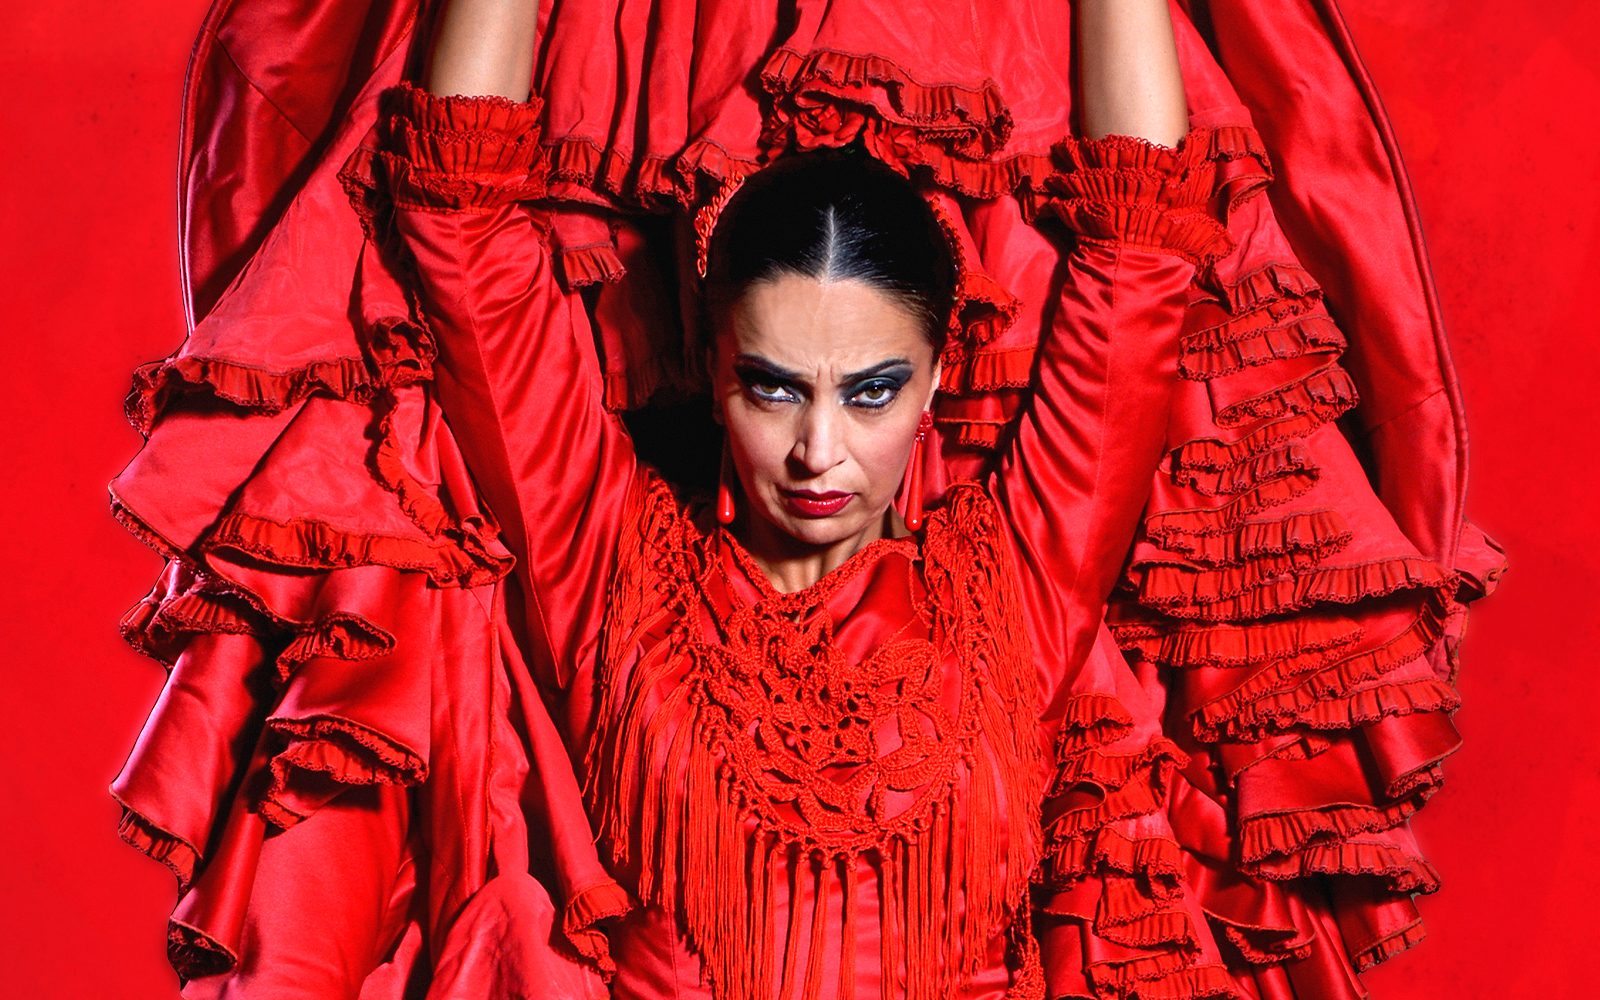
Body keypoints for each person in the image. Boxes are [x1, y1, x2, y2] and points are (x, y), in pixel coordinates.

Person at [108, 0, 1504, 997]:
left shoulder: (1019, 576)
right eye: (775, 388)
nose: (820, 452)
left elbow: (1142, 244)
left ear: (940, 372)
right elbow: (460, 218)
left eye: (872, 393)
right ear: (711, 365)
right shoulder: (602, 557)